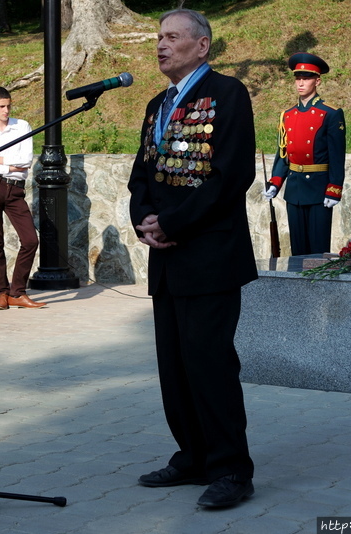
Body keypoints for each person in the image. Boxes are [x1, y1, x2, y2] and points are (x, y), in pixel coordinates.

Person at [127, 9, 257, 509]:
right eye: (159, 37)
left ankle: (231, 468)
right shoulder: (156, 104)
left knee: (209, 364)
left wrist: (174, 223)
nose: (161, 45)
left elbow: (229, 176)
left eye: (172, 37)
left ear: (201, 46)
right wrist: (145, 219)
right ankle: (194, 454)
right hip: (167, 258)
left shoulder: (228, 95)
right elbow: (143, 176)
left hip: (209, 254)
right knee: (175, 366)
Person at [263, 52, 346, 256]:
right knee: (298, 250)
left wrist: (334, 188)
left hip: (319, 188)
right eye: (298, 78)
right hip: (295, 188)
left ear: (317, 81)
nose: (301, 83)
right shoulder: (287, 115)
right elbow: (284, 153)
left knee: (317, 252)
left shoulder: (331, 113)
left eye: (306, 78)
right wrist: (275, 182)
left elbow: (337, 155)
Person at [0, 86, 44, 310]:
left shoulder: (22, 126)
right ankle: (2, 293)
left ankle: (17, 291)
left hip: (15, 189)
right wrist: (9, 162)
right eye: (1, 106)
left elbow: (25, 159)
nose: (6, 110)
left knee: (30, 240)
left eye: (8, 106)